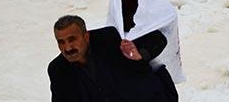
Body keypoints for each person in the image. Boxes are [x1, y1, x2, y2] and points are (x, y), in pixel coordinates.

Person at [48, 15, 176, 102]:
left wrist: (139, 54)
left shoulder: (109, 38)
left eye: (72, 39)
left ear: (86, 36)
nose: (67, 48)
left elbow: (159, 38)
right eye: (61, 42)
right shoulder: (58, 70)